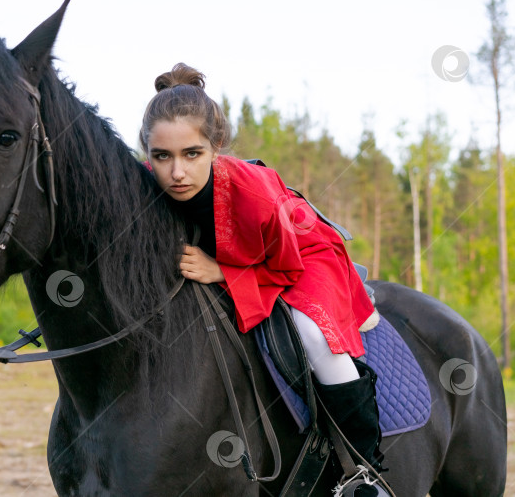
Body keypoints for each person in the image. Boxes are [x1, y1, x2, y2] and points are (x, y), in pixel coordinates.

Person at [139, 63, 386, 478]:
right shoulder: (146, 182)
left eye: (192, 154)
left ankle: (366, 471)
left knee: (314, 334)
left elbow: (286, 267)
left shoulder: (254, 192)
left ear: (216, 147)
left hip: (300, 256)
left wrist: (221, 272)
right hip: (231, 261)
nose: (176, 172)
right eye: (162, 156)